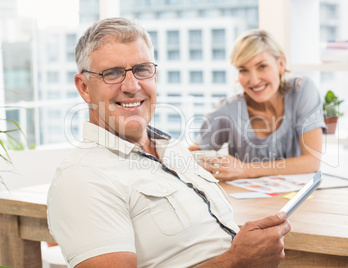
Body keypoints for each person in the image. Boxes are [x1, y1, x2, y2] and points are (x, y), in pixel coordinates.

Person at [47, 18, 291, 268]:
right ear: (84, 87)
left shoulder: (170, 148)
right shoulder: (82, 178)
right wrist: (236, 261)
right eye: (112, 74)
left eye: (142, 69)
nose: (132, 86)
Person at [189, 29, 326, 181]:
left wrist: (244, 170)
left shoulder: (301, 91)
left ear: (281, 64)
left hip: (297, 199)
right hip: (246, 202)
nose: (253, 80)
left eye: (262, 66)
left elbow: (311, 162)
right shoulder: (227, 110)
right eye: (243, 70)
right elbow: (191, 156)